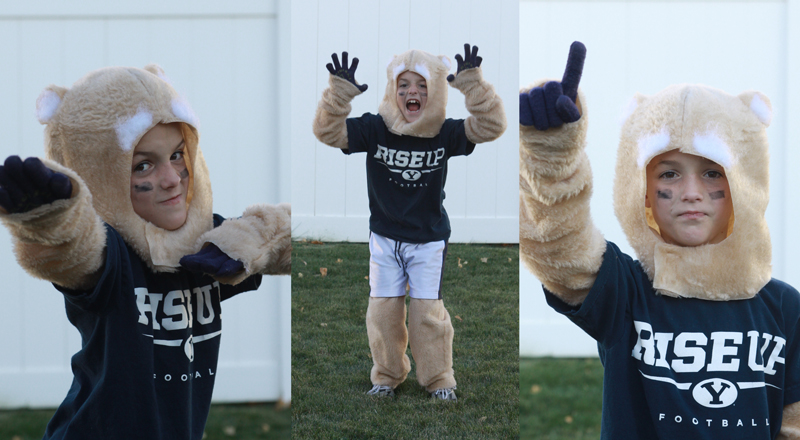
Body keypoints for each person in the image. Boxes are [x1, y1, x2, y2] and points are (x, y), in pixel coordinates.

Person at [519, 41, 800, 438]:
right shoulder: (625, 291)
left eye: (712, 172)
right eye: (669, 173)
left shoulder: (785, 307)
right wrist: (550, 157)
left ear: (746, 181)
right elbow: (558, 246)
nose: (690, 191)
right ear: (642, 189)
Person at [0, 65, 291, 440]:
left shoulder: (208, 241)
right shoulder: (113, 254)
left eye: (177, 154)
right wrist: (52, 221)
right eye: (143, 165)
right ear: (101, 175)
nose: (171, 179)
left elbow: (281, 240)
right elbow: (75, 253)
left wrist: (260, 237)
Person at [312, 44, 506, 400]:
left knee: (426, 314)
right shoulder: (375, 128)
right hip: (385, 239)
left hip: (428, 240)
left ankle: (438, 379)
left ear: (434, 90)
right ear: (392, 91)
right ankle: (386, 376)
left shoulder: (445, 133)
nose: (411, 92)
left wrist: (473, 86)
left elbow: (492, 126)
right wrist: (338, 94)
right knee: (383, 313)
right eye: (403, 85)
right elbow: (327, 132)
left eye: (420, 85)